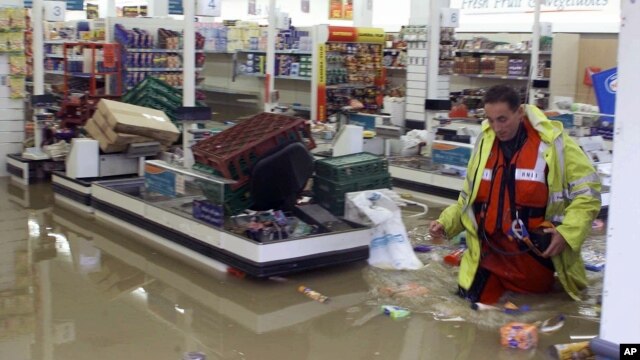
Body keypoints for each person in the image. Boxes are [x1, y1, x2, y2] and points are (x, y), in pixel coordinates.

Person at [429, 85, 601, 304]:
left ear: (519, 113)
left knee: (531, 318)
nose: (497, 128)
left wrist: (567, 234)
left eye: (502, 119)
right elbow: (468, 200)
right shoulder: (485, 145)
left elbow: (589, 195)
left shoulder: (554, 145)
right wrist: (445, 223)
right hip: (487, 255)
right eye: (490, 120)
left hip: (534, 259)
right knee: (466, 312)